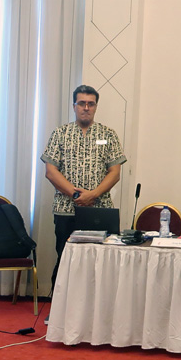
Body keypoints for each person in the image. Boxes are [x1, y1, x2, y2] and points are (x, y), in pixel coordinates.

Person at [41, 85, 126, 290]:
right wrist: (77, 194)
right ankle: (58, 313)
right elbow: (51, 171)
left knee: (100, 262)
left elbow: (115, 172)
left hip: (100, 210)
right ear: (74, 106)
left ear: (96, 107)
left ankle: (97, 313)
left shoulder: (108, 134)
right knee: (65, 259)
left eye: (91, 104)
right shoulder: (60, 134)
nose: (86, 108)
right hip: (66, 210)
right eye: (81, 103)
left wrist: (93, 194)